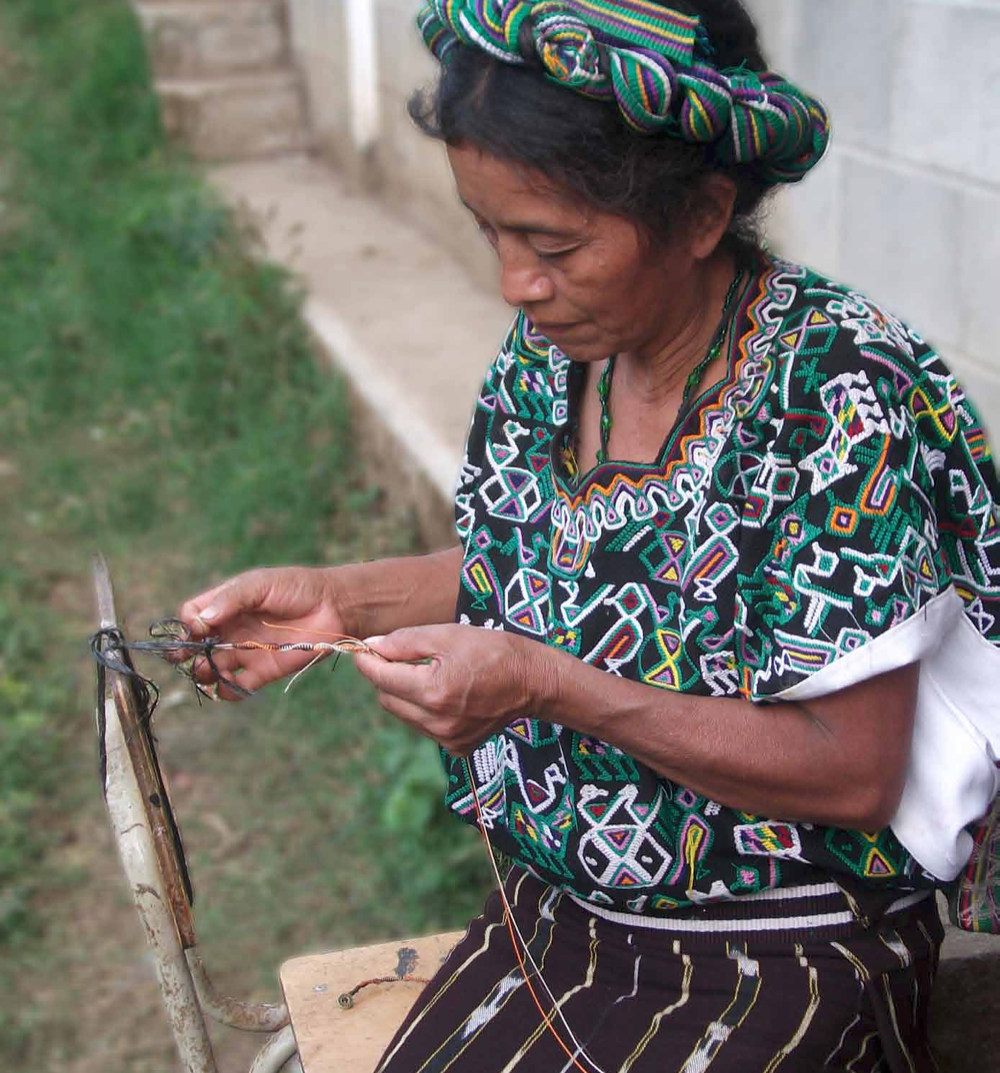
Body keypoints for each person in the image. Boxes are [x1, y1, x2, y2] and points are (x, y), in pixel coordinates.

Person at [178, 1, 1000, 1069]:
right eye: (490, 229)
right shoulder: (552, 360)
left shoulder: (831, 397)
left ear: (704, 214)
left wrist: (544, 682)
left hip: (782, 957)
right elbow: (562, 557)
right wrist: (349, 600)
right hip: (554, 927)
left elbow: (852, 773)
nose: (514, 281)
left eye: (553, 243)